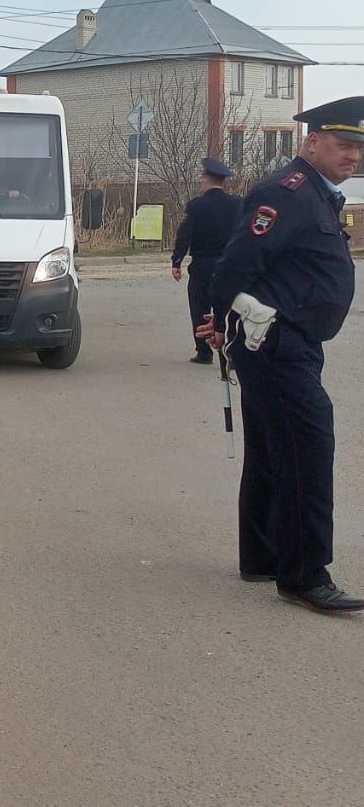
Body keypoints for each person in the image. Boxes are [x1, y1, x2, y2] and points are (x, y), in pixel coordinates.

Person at [199, 96, 364, 614]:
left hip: (289, 340)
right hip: (273, 340)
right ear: (312, 142)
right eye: (344, 145)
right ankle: (304, 575)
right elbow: (237, 263)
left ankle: (263, 556)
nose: (354, 157)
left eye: (359, 149)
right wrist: (224, 319)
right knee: (308, 448)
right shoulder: (288, 193)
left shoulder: (320, 194)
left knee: (273, 449)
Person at [171, 157, 240, 364]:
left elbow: (185, 235)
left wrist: (177, 261)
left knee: (200, 308)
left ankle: (204, 352)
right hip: (229, 267)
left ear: (207, 178)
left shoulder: (196, 206)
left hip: (202, 266)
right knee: (231, 309)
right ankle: (233, 353)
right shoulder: (237, 205)